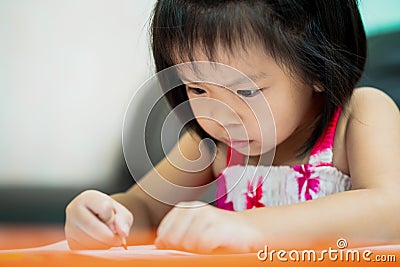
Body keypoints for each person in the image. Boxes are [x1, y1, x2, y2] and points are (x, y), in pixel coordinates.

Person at [65, 0, 400, 253]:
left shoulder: (359, 116)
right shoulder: (214, 145)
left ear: (316, 69)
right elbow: (145, 209)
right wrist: (106, 217)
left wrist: (249, 228)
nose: (221, 115)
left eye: (246, 91)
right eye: (197, 89)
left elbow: (391, 210)